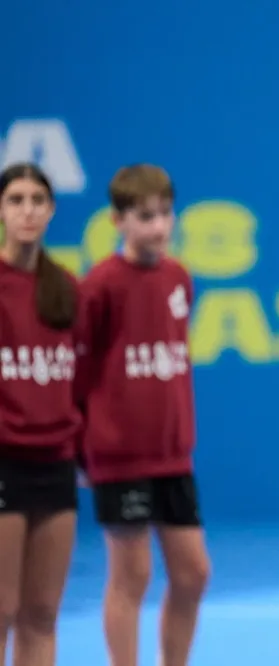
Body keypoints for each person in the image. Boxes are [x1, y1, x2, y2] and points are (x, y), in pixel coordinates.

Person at [75, 164, 210, 666]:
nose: (158, 226)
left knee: (193, 573)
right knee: (130, 577)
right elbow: (80, 370)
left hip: (173, 457)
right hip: (119, 458)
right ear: (118, 220)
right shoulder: (99, 287)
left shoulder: (179, 278)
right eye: (144, 216)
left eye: (165, 214)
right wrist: (80, 451)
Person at [0, 164, 81, 666]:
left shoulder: (67, 288)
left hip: (56, 465)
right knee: (3, 607)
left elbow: (85, 377)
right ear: (2, 210)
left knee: (42, 613)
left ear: (51, 210)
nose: (27, 210)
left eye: (37, 200)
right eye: (16, 199)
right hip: (4, 462)